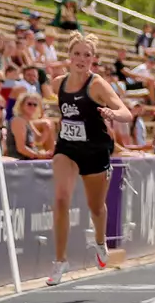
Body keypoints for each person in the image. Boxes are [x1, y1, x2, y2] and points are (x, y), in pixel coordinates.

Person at [47, 34, 133, 285]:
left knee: (96, 206)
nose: (81, 59)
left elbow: (126, 112)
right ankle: (60, 260)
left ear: (93, 59)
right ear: (69, 57)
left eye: (87, 55)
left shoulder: (98, 85)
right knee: (61, 198)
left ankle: (99, 241)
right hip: (67, 148)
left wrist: (112, 113)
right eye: (77, 54)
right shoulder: (58, 84)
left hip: (95, 150)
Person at [6, 92, 52, 160]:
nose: (32, 106)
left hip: (28, 161)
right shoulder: (18, 121)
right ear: (21, 105)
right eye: (29, 104)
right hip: (19, 163)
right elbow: (21, 148)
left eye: (35, 105)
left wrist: (46, 130)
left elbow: (39, 140)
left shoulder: (28, 121)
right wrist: (39, 156)